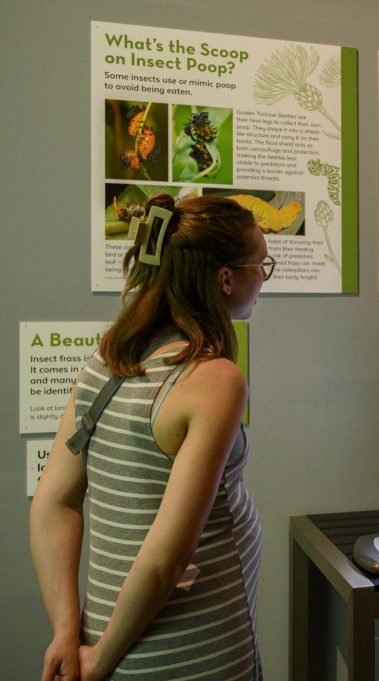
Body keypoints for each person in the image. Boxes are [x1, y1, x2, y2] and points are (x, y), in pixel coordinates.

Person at [30, 194, 271, 681]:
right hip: (190, 651)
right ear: (226, 279)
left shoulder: (109, 358)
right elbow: (166, 559)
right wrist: (101, 659)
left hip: (103, 633)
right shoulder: (213, 380)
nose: (263, 278)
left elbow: (52, 502)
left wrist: (67, 634)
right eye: (260, 265)